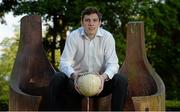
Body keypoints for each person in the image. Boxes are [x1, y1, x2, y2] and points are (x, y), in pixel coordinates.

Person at [48, 7, 128, 111]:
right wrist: (74, 76)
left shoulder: (107, 37)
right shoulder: (73, 36)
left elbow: (113, 64)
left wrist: (103, 78)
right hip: (76, 84)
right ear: (82, 22)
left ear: (100, 23)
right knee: (57, 77)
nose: (91, 24)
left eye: (94, 20)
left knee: (121, 80)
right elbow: (64, 62)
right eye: (87, 20)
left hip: (100, 84)